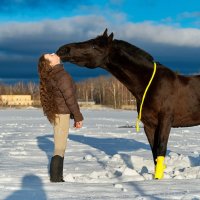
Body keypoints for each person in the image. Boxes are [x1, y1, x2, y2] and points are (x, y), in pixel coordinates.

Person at [38, 53, 83, 182]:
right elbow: (70, 99)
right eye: (50, 55)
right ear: (50, 64)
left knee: (60, 145)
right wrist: (78, 117)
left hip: (58, 113)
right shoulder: (62, 76)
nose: (54, 53)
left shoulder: (53, 76)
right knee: (60, 147)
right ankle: (56, 179)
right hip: (61, 114)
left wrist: (75, 116)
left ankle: (57, 177)